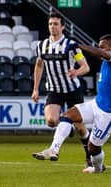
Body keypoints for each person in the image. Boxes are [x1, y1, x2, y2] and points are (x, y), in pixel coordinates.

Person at [46, 34, 111, 173]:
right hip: (96, 104)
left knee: (93, 148)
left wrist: (79, 45)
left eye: (102, 47)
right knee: (67, 115)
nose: (100, 50)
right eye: (99, 47)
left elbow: (100, 53)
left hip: (110, 113)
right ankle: (53, 149)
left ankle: (98, 169)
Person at [31, 13, 92, 166]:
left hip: (72, 90)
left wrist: (76, 72)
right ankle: (66, 126)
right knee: (51, 121)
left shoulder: (71, 45)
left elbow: (86, 67)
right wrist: (35, 89)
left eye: (56, 24)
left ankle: (89, 156)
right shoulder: (41, 46)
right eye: (50, 23)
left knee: (80, 129)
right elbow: (39, 65)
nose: (52, 26)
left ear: (63, 26)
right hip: (54, 90)